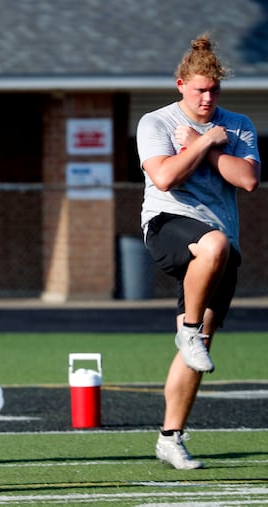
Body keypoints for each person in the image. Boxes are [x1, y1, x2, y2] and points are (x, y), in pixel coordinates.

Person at [136, 33, 260, 470]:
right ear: (180, 85)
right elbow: (165, 177)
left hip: (219, 246)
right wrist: (206, 143)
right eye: (199, 90)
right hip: (169, 224)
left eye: (214, 90)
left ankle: (170, 437)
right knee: (213, 244)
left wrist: (205, 146)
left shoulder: (238, 125)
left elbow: (246, 179)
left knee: (200, 345)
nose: (207, 98)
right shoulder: (156, 123)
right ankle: (187, 328)